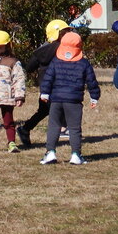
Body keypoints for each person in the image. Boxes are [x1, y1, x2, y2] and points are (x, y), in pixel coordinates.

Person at [38, 32, 100, 165]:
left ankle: (50, 153)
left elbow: (48, 78)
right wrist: (94, 97)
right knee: (74, 128)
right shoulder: (84, 63)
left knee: (54, 126)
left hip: (56, 100)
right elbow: (91, 81)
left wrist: (44, 93)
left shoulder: (55, 61)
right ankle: (76, 154)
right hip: (74, 101)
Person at [17, 19, 71, 147]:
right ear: (57, 34)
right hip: (58, 86)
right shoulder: (62, 48)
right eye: (65, 32)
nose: (68, 35)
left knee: (44, 111)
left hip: (45, 86)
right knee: (59, 108)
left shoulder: (41, 50)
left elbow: (29, 67)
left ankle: (25, 129)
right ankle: (62, 130)